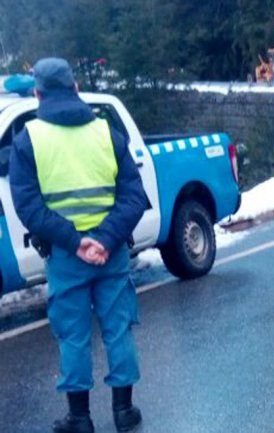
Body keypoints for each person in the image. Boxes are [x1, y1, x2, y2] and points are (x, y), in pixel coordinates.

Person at [9, 58, 149, 433]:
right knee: (118, 327)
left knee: (73, 334)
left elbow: (28, 207)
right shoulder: (107, 133)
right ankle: (124, 412)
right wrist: (104, 239)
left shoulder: (28, 141)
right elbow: (134, 197)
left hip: (66, 256)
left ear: (38, 94)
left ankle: (80, 418)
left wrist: (75, 242)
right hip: (112, 252)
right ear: (74, 88)